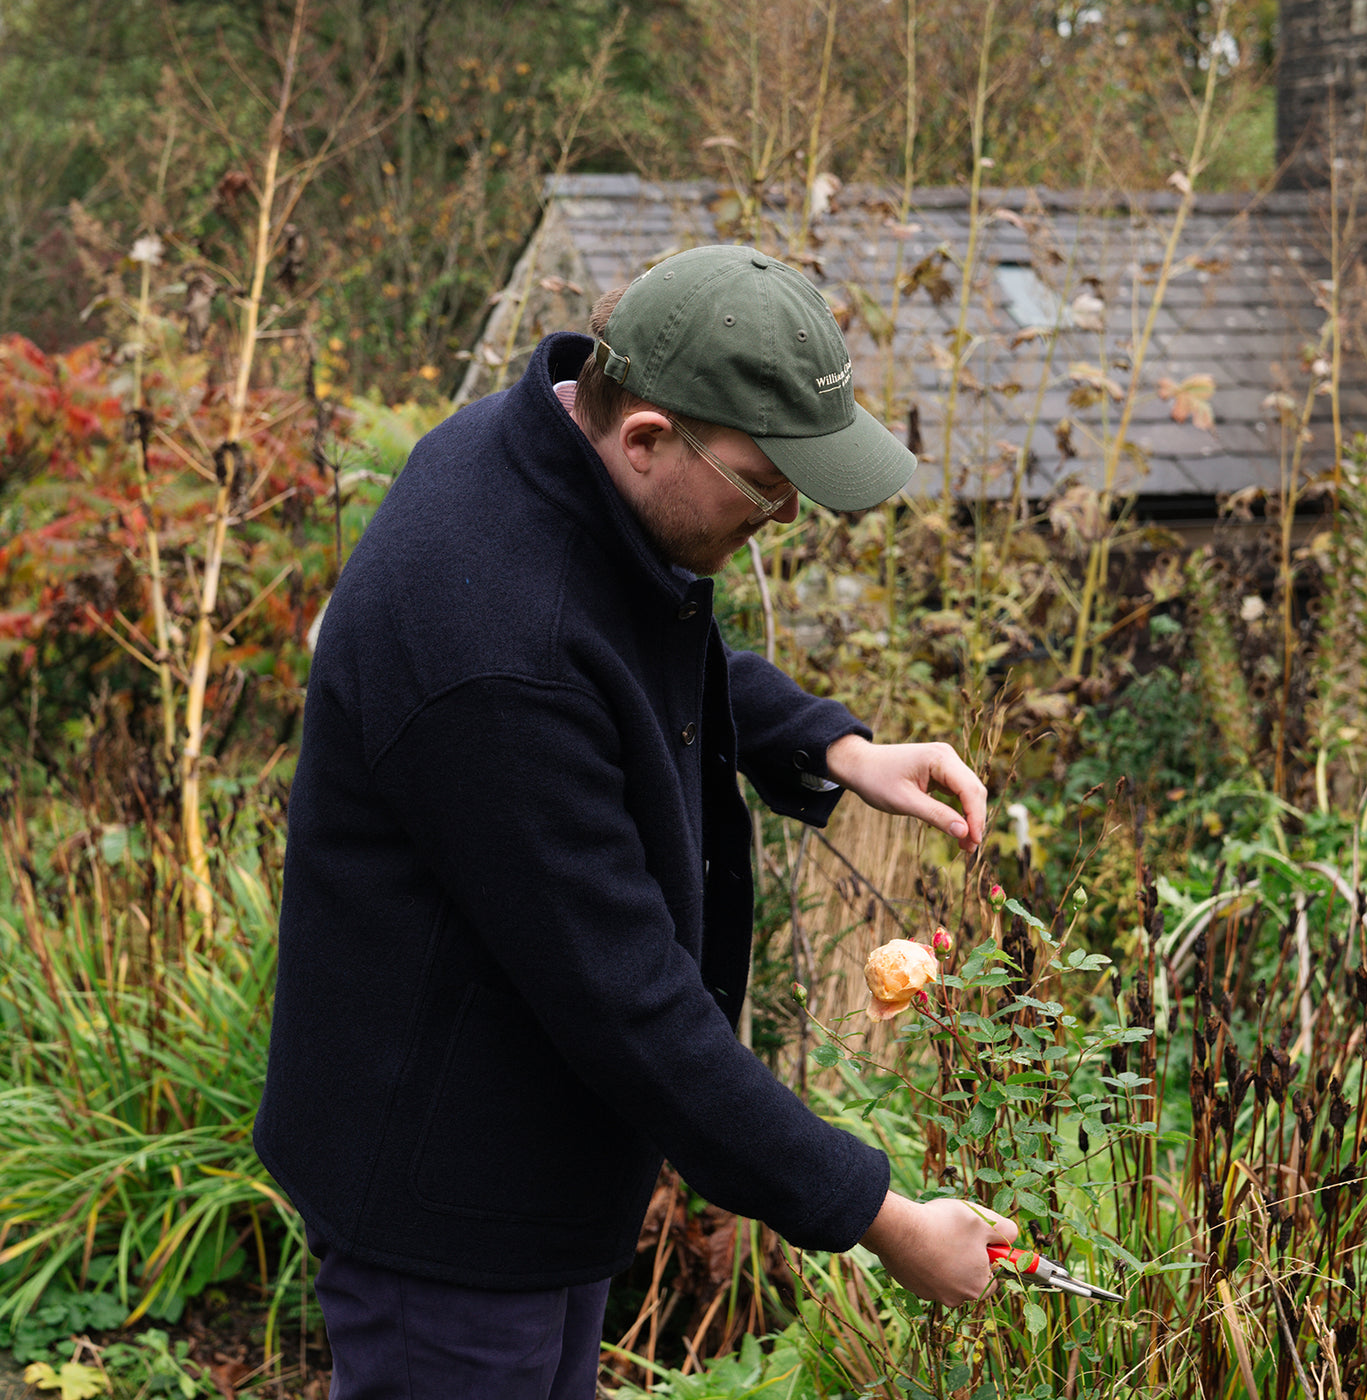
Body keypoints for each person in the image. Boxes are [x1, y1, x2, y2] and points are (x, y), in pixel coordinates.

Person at [254, 244, 1017, 1400]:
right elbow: (630, 1002)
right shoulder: (495, 648)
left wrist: (831, 745)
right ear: (649, 435)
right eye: (765, 481)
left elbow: (623, 653)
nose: (785, 511)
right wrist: (881, 1215)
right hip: (446, 1198)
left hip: (530, 1146)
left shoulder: (537, 456)